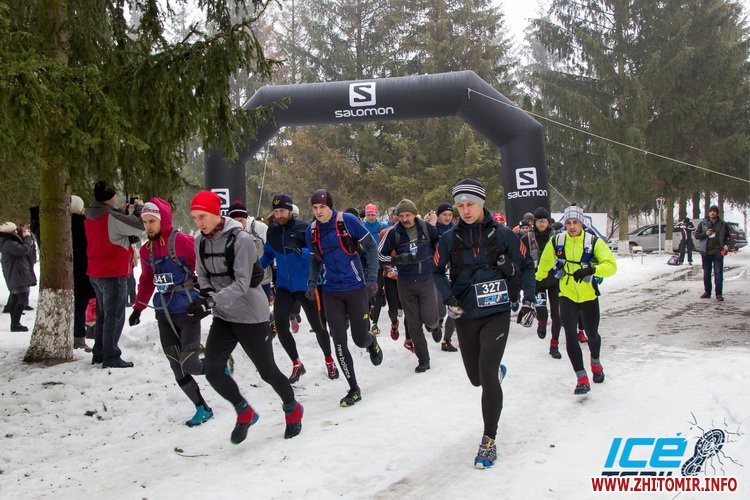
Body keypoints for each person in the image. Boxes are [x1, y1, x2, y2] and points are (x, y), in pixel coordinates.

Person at [433, 178, 535, 469]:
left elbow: (527, 266)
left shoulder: (503, 235)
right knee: (476, 378)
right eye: (460, 205)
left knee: (486, 375)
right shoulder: (449, 239)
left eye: (470, 204)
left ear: (482, 203)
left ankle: (488, 440)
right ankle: (495, 375)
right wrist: (449, 299)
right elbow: (436, 271)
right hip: (466, 314)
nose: (465, 210)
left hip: (496, 313)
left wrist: (529, 301)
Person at [189, 190, 303, 444]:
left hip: (251, 316)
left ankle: (292, 408)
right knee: (213, 371)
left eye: (202, 216)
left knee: (267, 372)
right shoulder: (200, 241)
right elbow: (202, 275)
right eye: (195, 217)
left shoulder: (241, 239)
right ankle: (244, 412)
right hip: (223, 316)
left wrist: (211, 300)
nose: (198, 222)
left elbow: (243, 283)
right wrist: (205, 296)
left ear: (215, 213)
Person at [128, 199, 213, 427]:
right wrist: (138, 308)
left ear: (163, 220)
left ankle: (217, 366)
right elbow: (147, 280)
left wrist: (207, 297)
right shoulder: (146, 250)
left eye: (152, 221)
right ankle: (202, 408)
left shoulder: (183, 242)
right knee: (176, 364)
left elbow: (206, 268)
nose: (148, 227)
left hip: (187, 310)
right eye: (145, 222)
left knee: (190, 364)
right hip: (163, 312)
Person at [306, 189, 383, 407]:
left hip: (356, 288)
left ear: (330, 206)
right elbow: (314, 259)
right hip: (331, 292)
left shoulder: (347, 221)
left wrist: (372, 278)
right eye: (315, 208)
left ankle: (371, 342)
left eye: (322, 207)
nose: (318, 212)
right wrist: (311, 283)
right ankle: (353, 388)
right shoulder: (312, 231)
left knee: (359, 339)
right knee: (338, 341)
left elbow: (371, 247)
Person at [535, 204, 617, 395]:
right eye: (569, 223)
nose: (572, 226)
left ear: (582, 223)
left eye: (576, 222)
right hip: (567, 295)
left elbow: (611, 266)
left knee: (592, 335)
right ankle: (581, 378)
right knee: (570, 335)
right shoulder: (557, 241)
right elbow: (544, 263)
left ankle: (595, 363)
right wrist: (537, 282)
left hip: (588, 296)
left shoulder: (593, 242)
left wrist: (592, 269)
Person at [260, 193, 338, 382]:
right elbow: (268, 255)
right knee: (280, 325)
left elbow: (316, 254)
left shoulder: (304, 228)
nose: (279, 215)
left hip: (305, 286)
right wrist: (255, 270)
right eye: (276, 211)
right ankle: (297, 364)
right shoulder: (273, 231)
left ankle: (329, 360)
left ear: (290, 210)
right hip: (284, 286)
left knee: (318, 326)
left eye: (282, 211)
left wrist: (300, 251)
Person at [84, 181, 144, 368]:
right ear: (111, 196)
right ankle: (111, 357)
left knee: (103, 315)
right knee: (114, 316)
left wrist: (119, 211)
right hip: (113, 272)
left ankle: (100, 353)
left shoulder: (91, 214)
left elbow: (109, 229)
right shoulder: (110, 216)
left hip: (96, 271)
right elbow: (139, 226)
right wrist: (139, 209)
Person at [380, 199, 441, 373]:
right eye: (401, 216)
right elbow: (380, 255)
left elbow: (438, 240)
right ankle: (424, 360)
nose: (405, 219)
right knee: (413, 324)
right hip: (405, 282)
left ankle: (435, 325)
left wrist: (437, 251)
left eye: (408, 215)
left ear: (414, 214)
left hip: (426, 279)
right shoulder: (393, 233)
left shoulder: (426, 227)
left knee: (428, 317)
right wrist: (396, 259)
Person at [520, 207, 562, 359]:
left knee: (557, 315)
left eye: (544, 221)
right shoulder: (527, 238)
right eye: (538, 221)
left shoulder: (558, 237)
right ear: (534, 223)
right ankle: (542, 322)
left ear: (548, 222)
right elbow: (521, 261)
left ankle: (554, 344)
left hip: (556, 280)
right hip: (537, 282)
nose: (542, 224)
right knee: (542, 311)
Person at [427, 202, 458, 352]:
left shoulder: (455, 229)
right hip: (436, 273)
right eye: (444, 214)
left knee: (455, 306)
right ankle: (436, 324)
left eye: (450, 215)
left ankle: (447, 340)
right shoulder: (430, 229)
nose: (447, 217)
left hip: (453, 271)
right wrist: (432, 226)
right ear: (438, 215)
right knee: (441, 310)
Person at [0, 221, 37, 332]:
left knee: (16, 298)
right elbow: (23, 250)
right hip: (16, 275)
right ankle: (15, 324)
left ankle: (15, 323)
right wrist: (27, 238)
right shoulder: (9, 244)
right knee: (22, 298)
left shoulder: (8, 242)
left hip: (16, 274)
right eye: (15, 230)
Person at [71, 195, 94, 351]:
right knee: (80, 307)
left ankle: (77, 336)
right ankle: (79, 337)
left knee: (77, 307)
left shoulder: (62, 224)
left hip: (71, 272)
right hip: (83, 272)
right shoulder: (83, 224)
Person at [694, 205, 731, 301]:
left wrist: (726, 244)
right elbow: (697, 235)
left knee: (718, 273)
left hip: (718, 251)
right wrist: (705, 234)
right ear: (708, 213)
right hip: (706, 252)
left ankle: (718, 294)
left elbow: (728, 237)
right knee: (706, 273)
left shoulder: (723, 224)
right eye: (711, 211)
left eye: (714, 211)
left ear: (717, 213)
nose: (712, 213)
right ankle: (707, 292)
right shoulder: (703, 223)